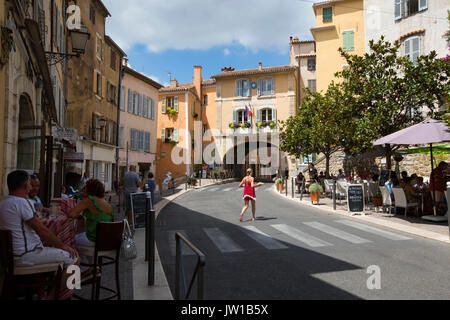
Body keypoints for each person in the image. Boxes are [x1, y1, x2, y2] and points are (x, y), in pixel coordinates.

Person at [0, 170, 78, 268]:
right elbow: (42, 230)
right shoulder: (22, 202)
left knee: (57, 252)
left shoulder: (3, 202)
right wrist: (62, 246)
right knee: (74, 258)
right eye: (30, 184)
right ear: (25, 185)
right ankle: (61, 283)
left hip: (10, 256)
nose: (31, 187)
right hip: (26, 255)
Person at [67, 179, 114, 248]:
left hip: (94, 240)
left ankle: (75, 258)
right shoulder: (105, 201)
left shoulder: (89, 200)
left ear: (91, 189)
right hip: (107, 240)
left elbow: (70, 214)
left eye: (85, 187)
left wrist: (80, 217)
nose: (83, 190)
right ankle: (83, 258)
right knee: (80, 236)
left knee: (68, 240)